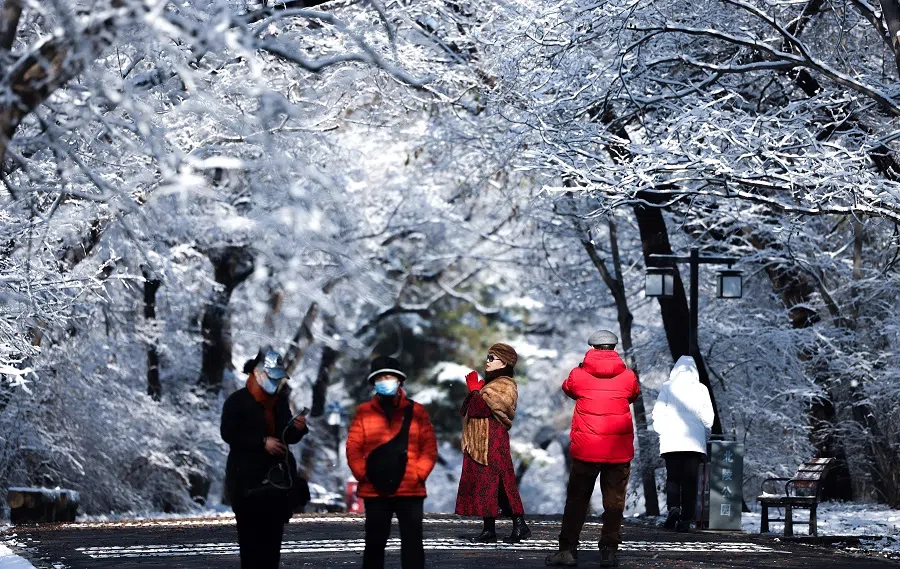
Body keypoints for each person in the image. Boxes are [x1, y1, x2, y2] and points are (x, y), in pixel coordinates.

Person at [546, 331, 641, 568]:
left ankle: (567, 550)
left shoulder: (579, 374)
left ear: (592, 347)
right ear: (613, 347)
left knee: (577, 500)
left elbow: (568, 389)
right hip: (618, 451)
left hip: (586, 449)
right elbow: (633, 395)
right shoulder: (627, 376)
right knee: (614, 502)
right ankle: (609, 551)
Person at [346, 356, 438, 569]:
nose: (385, 381)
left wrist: (418, 473)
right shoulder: (364, 412)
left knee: (413, 544)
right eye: (380, 377)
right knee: (374, 545)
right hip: (374, 489)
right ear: (374, 382)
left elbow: (429, 447)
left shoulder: (417, 412)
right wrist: (364, 474)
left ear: (399, 381)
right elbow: (353, 447)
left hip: (411, 490)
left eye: (389, 376)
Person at [221, 348, 309, 569]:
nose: (275, 383)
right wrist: (262, 442)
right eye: (272, 377)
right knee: (251, 550)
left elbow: (286, 436)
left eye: (277, 378)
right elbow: (228, 433)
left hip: (276, 487)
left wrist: (298, 429)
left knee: (272, 550)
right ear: (258, 373)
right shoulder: (236, 401)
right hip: (247, 485)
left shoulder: (279, 403)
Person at [456, 343, 531, 544]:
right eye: (487, 357)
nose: (487, 362)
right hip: (480, 442)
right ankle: (489, 529)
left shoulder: (505, 384)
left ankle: (519, 525)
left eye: (492, 358)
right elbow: (467, 410)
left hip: (493, 440)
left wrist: (474, 392)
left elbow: (482, 409)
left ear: (504, 362)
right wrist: (475, 392)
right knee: (485, 484)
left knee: (501, 482)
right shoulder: (489, 386)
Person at [651, 355, 714, 533]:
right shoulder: (701, 389)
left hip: (671, 443)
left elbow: (657, 413)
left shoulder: (667, 387)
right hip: (693, 444)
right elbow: (708, 417)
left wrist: (662, 430)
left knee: (673, 478)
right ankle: (685, 519)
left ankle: (673, 508)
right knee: (690, 482)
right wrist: (703, 434)